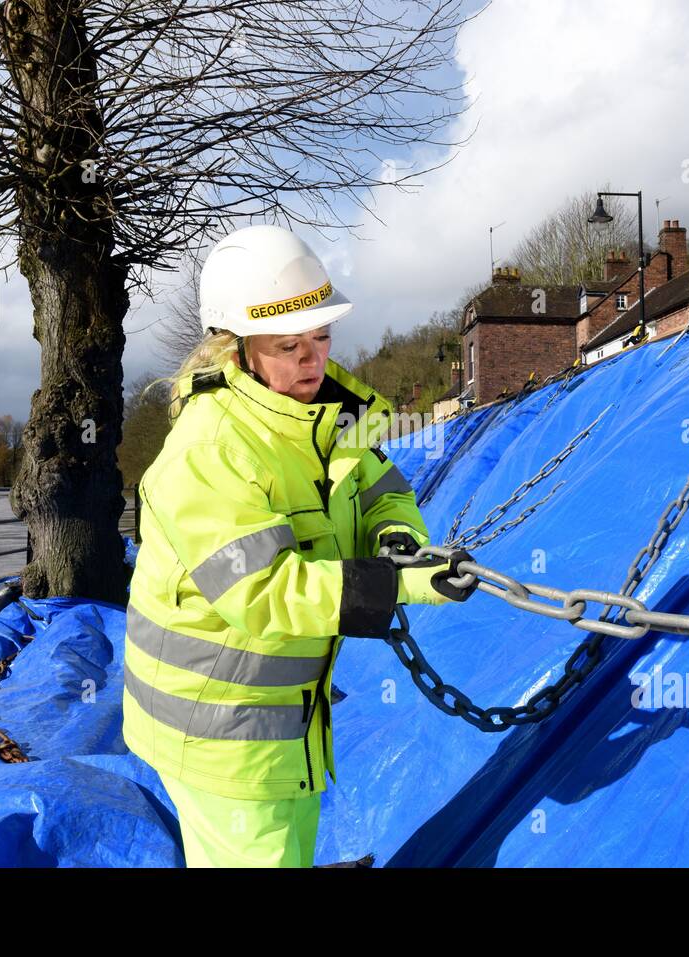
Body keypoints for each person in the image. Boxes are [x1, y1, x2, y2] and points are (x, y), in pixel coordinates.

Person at [122, 223, 479, 868]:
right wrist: (398, 583)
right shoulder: (212, 451)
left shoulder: (325, 417)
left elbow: (377, 487)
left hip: (279, 720)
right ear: (237, 349)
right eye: (288, 345)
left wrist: (396, 536)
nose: (312, 361)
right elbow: (261, 592)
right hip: (222, 734)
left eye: (320, 337)